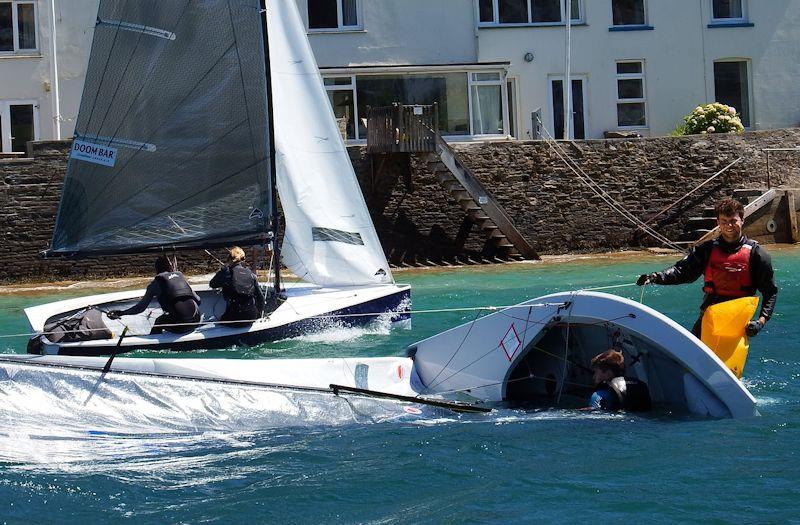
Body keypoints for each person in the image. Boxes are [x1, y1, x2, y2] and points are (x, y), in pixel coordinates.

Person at [636, 197, 777, 338]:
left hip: (738, 322)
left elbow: (770, 291)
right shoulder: (706, 250)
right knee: (692, 355)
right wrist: (655, 277)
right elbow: (682, 271)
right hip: (710, 315)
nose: (729, 226)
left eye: (733, 221)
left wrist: (760, 321)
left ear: (742, 220)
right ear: (718, 223)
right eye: (724, 221)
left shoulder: (757, 254)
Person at [108, 256, 201, 334]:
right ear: (170, 267)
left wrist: (121, 313)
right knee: (170, 316)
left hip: (180, 326)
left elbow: (140, 308)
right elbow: (198, 300)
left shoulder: (155, 284)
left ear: (156, 270)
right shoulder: (181, 277)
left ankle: (156, 345)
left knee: (159, 321)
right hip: (196, 320)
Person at [209, 246, 265, 327]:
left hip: (234, 318)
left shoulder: (226, 272)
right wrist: (259, 314)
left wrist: (222, 270)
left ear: (229, 259)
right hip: (251, 316)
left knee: (219, 319)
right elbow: (261, 299)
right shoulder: (251, 274)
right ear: (244, 259)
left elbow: (212, 284)